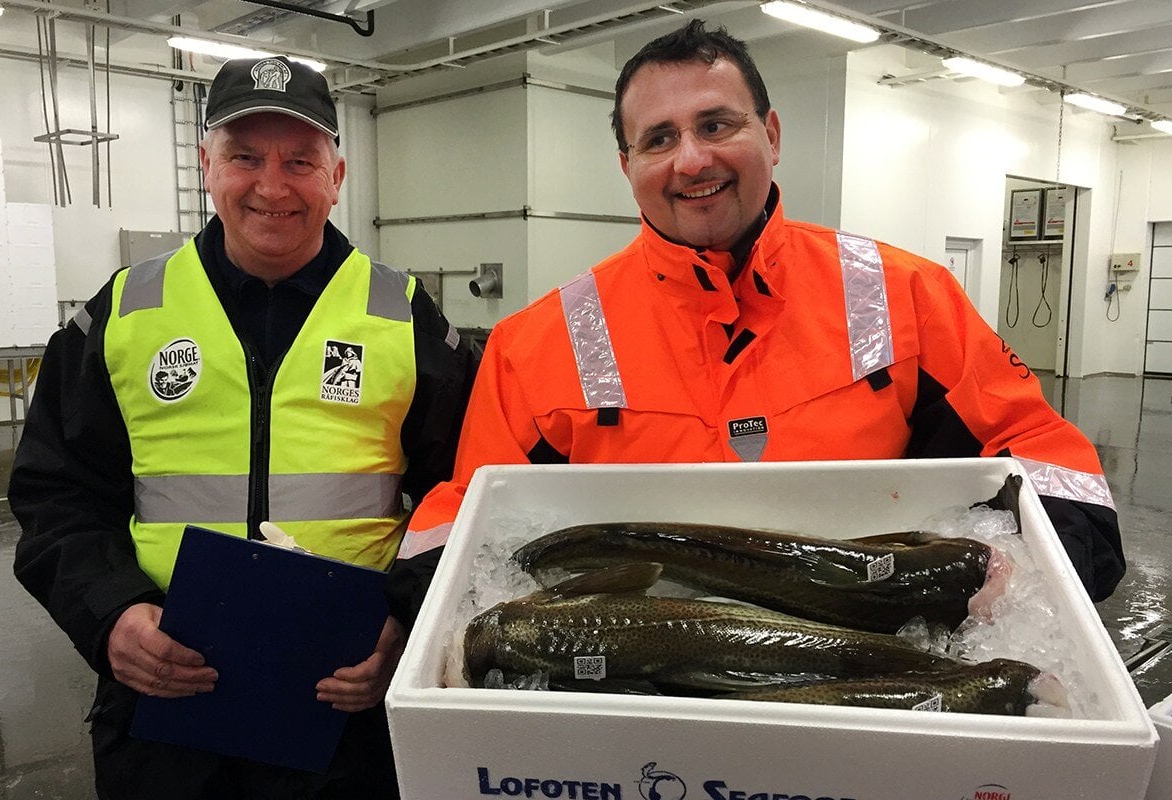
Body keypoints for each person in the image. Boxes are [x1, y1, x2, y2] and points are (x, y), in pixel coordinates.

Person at [391, 19, 1123, 616]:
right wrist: (422, 596)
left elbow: (1032, 438)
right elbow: (475, 504)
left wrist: (1050, 560)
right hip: (643, 675)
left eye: (716, 124)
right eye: (659, 138)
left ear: (771, 134)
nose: (691, 159)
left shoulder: (908, 294)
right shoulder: (533, 345)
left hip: (871, 656)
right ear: (627, 165)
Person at [10, 55, 476, 799]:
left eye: (299, 160)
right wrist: (112, 615)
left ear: (337, 174)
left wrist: (407, 624)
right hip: (165, 700)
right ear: (205, 165)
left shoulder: (400, 315)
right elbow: (55, 494)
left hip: (345, 701)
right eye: (244, 157)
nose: (271, 185)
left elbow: (467, 492)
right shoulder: (128, 312)